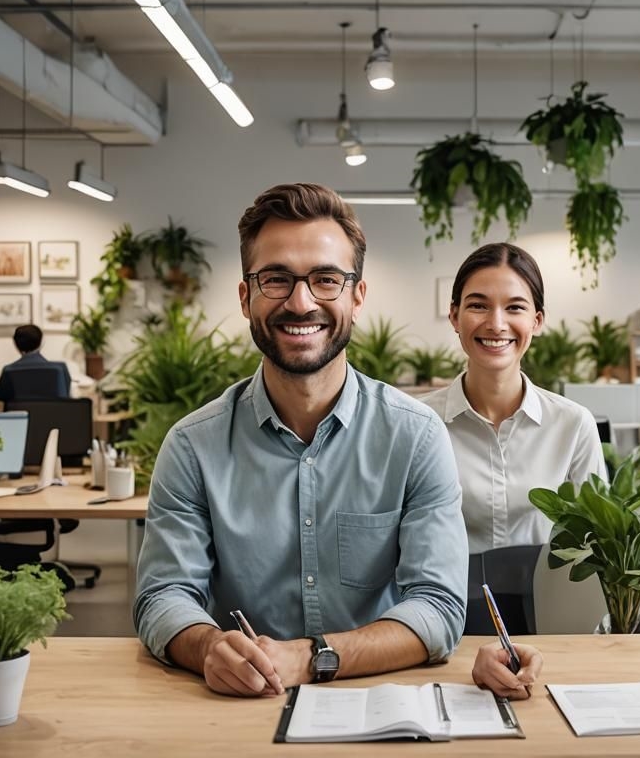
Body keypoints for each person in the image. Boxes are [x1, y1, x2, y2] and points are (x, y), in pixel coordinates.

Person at [132, 182, 468, 697]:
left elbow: (438, 607)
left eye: (326, 279)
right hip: (236, 704)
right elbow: (163, 596)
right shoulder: (193, 446)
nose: (300, 301)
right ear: (246, 297)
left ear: (356, 297)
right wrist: (208, 648)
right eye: (276, 279)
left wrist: (310, 658)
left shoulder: (415, 437)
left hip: (379, 701)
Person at [416, 243, 604, 699]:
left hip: (551, 629)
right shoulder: (418, 425)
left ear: (536, 321)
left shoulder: (573, 424)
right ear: (455, 316)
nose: (496, 323)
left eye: (514, 307)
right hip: (445, 629)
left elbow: (598, 545)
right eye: (478, 306)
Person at [0, 324, 70, 403]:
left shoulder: (8, 371)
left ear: (16, 344)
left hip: (20, 415)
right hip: (54, 415)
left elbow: (1, 402)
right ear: (41, 342)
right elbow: (67, 401)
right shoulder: (60, 368)